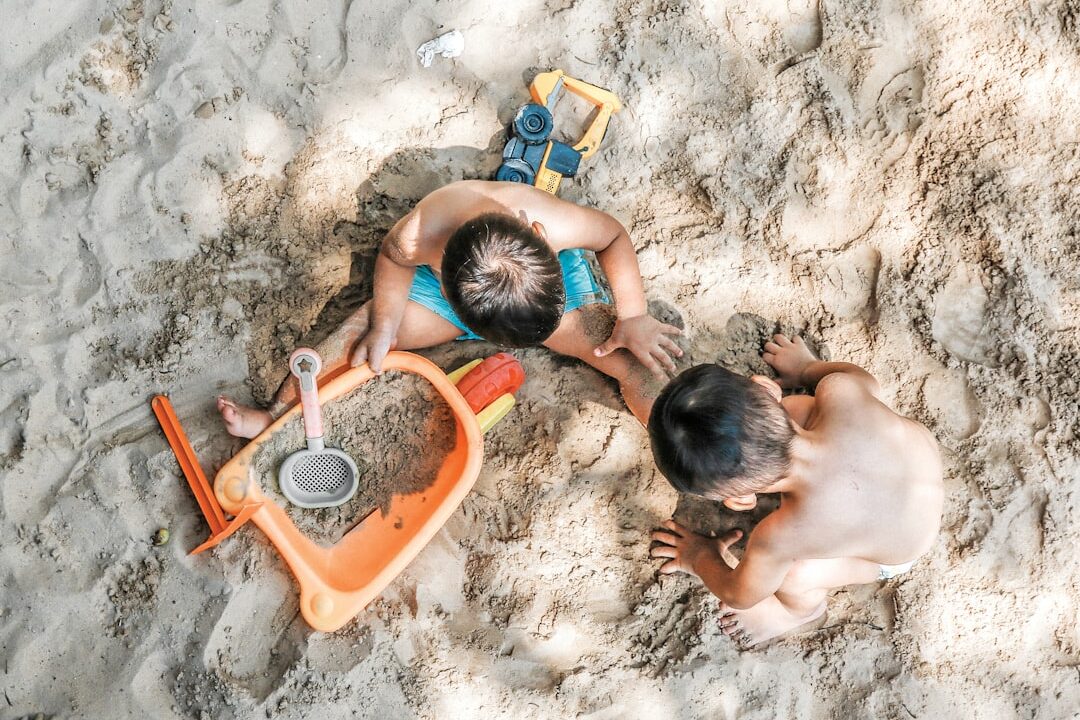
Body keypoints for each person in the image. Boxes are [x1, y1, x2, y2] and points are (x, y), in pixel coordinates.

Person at [217, 180, 681, 434]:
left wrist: (635, 315)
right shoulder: (420, 233)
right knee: (358, 337)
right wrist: (385, 324)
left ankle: (668, 428)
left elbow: (613, 236)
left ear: (538, 233)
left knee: (635, 363)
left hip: (545, 292)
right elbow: (393, 261)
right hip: (465, 295)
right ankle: (276, 415)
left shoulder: (555, 224)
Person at [647, 334, 943, 646]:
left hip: (900, 552)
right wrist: (807, 369)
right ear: (765, 389)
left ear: (735, 498)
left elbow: (740, 594)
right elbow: (864, 379)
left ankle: (797, 613)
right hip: (920, 471)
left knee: (795, 576)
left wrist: (699, 556)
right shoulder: (839, 389)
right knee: (800, 408)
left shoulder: (782, 535)